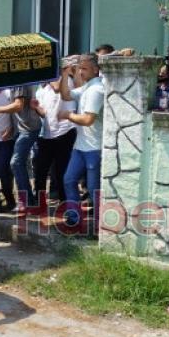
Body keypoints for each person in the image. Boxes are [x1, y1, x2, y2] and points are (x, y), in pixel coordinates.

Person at [59, 54, 105, 235]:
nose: (80, 72)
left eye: (84, 68)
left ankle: (100, 228)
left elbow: (87, 119)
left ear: (95, 69)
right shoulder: (87, 87)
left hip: (94, 148)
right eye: (79, 68)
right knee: (69, 180)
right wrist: (65, 74)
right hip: (80, 147)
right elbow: (65, 95)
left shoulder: (96, 90)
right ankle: (74, 220)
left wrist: (68, 115)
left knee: (94, 190)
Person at [0, 85, 41, 211]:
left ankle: (26, 201)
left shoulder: (20, 82)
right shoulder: (13, 83)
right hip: (20, 130)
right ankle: (28, 200)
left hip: (28, 129)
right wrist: (12, 127)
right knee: (19, 164)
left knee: (16, 163)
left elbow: (18, 105)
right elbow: (17, 110)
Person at [32, 73, 77, 210]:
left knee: (61, 171)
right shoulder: (41, 89)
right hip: (47, 134)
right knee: (40, 170)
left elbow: (57, 88)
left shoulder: (65, 80)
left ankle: (65, 204)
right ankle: (40, 204)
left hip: (65, 131)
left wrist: (51, 75)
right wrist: (36, 107)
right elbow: (44, 113)